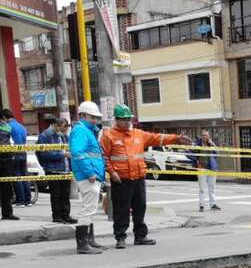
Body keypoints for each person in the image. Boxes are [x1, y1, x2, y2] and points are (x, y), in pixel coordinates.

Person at [100, 104, 192, 249]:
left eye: (128, 119)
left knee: (140, 207)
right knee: (121, 209)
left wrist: (177, 139)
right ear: (116, 120)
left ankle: (140, 236)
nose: (126, 122)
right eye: (123, 119)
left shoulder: (138, 134)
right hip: (121, 178)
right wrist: (112, 172)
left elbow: (157, 138)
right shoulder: (108, 136)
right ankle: (120, 237)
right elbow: (104, 156)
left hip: (138, 177)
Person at [69, 101, 107, 253]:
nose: (95, 120)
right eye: (92, 117)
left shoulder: (86, 130)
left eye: (96, 118)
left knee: (90, 208)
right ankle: (83, 244)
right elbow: (78, 153)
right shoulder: (81, 131)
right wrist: (90, 172)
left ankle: (89, 241)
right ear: (82, 115)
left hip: (91, 175)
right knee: (88, 209)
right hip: (88, 176)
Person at [37, 118, 76, 223]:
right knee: (56, 194)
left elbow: (69, 149)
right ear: (56, 125)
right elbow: (43, 153)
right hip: (53, 169)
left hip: (65, 169)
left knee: (65, 194)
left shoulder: (64, 136)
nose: (65, 131)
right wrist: (62, 154)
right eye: (63, 127)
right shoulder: (45, 136)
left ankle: (66, 215)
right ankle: (57, 216)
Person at [4, 109, 29, 206]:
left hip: (14, 154)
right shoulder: (21, 126)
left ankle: (20, 200)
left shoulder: (7, 127)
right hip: (23, 153)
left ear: (5, 118)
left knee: (16, 176)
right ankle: (27, 199)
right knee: (23, 176)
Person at [192, 129, 221, 212]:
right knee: (202, 188)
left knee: (212, 188)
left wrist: (212, 143)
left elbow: (217, 152)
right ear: (201, 136)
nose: (205, 137)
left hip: (212, 168)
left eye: (206, 135)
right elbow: (190, 152)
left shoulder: (211, 144)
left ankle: (213, 204)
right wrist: (196, 160)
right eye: (203, 135)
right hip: (201, 168)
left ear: (209, 136)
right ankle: (201, 205)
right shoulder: (197, 144)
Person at [0, 121, 18, 221]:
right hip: (7, 159)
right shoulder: (6, 126)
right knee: (6, 188)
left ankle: (7, 213)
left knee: (6, 188)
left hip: (6, 160)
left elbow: (11, 142)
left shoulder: (6, 126)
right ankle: (7, 213)